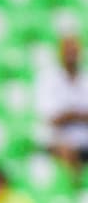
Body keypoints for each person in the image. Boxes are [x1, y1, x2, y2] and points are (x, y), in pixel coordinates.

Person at [36, 34, 88, 163]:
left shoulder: (85, 78)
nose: (71, 54)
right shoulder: (47, 78)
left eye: (74, 50)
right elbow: (52, 119)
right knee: (66, 150)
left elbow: (63, 116)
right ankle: (72, 183)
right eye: (67, 50)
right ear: (60, 53)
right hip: (57, 141)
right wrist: (78, 115)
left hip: (84, 139)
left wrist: (69, 115)